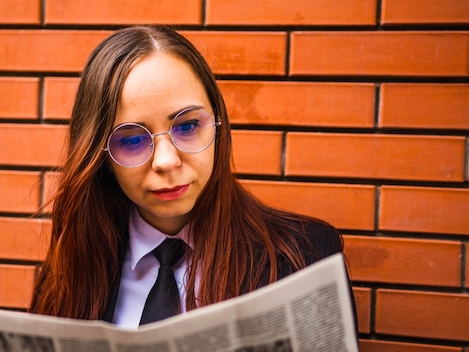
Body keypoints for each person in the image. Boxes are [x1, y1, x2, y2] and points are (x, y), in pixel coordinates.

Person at [30, 25, 356, 329]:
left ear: (218, 124)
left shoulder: (303, 257)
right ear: (100, 156)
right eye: (131, 139)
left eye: (187, 126)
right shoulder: (72, 268)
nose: (167, 161)